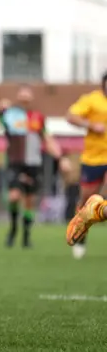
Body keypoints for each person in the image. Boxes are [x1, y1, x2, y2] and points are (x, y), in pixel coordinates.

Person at [0, 86, 70, 248]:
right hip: (15, 163)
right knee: (14, 197)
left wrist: (61, 158)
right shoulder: (10, 115)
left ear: (31, 98)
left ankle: (26, 237)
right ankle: (13, 230)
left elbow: (47, 139)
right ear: (18, 96)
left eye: (27, 93)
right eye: (22, 93)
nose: (24, 96)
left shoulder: (37, 118)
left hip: (34, 164)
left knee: (30, 201)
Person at [65, 73, 107, 252]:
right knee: (86, 199)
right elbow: (70, 116)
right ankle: (81, 233)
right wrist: (91, 125)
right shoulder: (91, 100)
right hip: (93, 158)